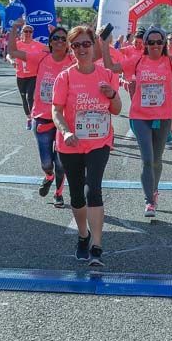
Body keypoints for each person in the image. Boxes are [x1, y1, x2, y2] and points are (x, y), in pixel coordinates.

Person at [102, 25, 172, 218]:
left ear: (163, 43)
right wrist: (105, 45)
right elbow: (111, 67)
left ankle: (154, 190)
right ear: (145, 44)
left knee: (157, 158)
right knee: (147, 159)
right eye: (151, 42)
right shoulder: (137, 60)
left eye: (158, 42)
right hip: (140, 117)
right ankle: (149, 201)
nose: (155, 45)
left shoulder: (170, 61)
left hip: (162, 117)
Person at [52, 26, 122, 267]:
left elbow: (117, 109)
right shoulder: (66, 77)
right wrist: (66, 130)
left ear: (94, 46)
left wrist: (112, 94)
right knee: (76, 194)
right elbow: (56, 110)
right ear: (71, 49)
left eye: (86, 44)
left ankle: (97, 246)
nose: (82, 49)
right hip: (70, 144)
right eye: (77, 45)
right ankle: (83, 235)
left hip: (98, 142)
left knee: (94, 189)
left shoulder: (107, 75)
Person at [9, 19, 74, 207]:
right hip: (42, 116)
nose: (60, 41)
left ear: (68, 42)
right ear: (50, 42)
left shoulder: (73, 61)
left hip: (64, 118)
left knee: (62, 163)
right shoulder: (41, 57)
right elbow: (13, 52)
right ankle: (48, 175)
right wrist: (14, 29)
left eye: (64, 39)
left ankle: (59, 193)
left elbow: (92, 56)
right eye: (56, 38)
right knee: (47, 162)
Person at [13, 23, 43, 126]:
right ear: (21, 33)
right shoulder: (17, 44)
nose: (28, 33)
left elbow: (50, 51)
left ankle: (34, 117)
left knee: (29, 97)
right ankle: (28, 117)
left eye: (30, 31)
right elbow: (9, 54)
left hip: (33, 75)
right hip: (20, 76)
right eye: (26, 31)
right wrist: (11, 61)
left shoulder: (38, 45)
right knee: (23, 97)